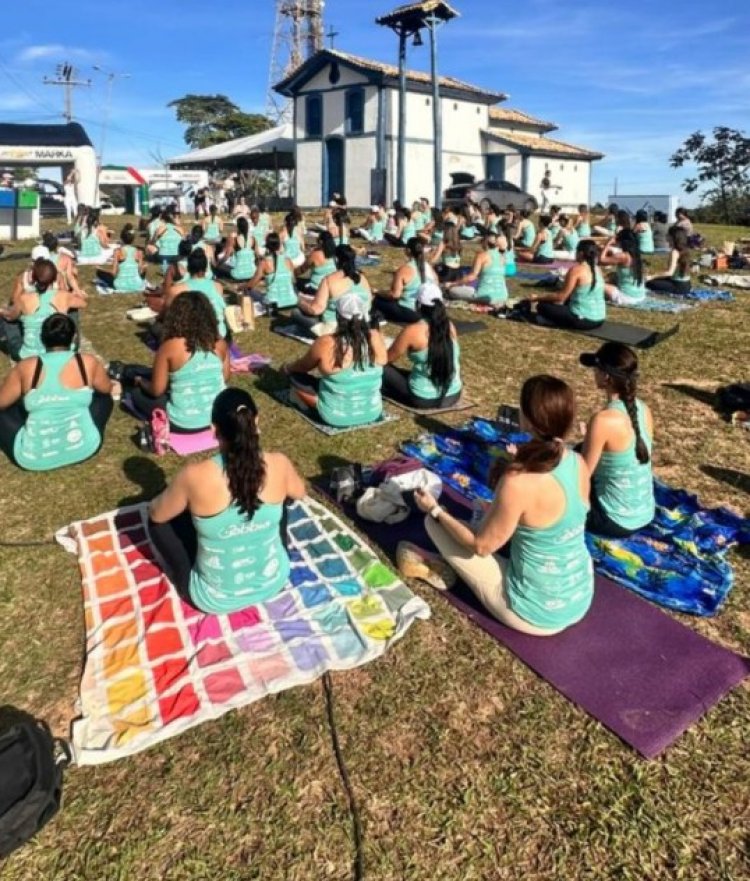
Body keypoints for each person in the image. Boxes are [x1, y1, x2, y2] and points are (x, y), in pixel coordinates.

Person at [410, 374, 593, 635]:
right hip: (580, 595)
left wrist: (435, 509)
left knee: (436, 524)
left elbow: (481, 547)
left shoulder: (517, 482)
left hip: (534, 613)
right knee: (493, 517)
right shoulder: (578, 462)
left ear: (527, 419)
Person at [148, 387, 306, 613]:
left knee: (158, 522)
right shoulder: (279, 464)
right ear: (256, 421)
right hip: (274, 580)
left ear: (214, 429)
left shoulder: (194, 476)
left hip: (213, 598)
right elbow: (299, 492)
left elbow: (156, 513)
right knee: (284, 499)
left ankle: (190, 569)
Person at [0, 313, 112, 470]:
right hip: (83, 447)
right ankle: (83, 427)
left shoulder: (26, 367)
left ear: (42, 338)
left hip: (33, 456)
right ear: (73, 338)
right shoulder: (86, 362)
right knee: (104, 398)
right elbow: (106, 389)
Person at [579, 343, 654, 537]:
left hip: (613, 520)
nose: (593, 373)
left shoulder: (603, 420)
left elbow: (580, 476)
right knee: (580, 448)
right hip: (644, 513)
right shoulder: (644, 409)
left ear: (606, 377)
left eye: (596, 369)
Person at [283, 294, 387, 428]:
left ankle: (310, 401)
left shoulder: (327, 342)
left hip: (334, 416)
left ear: (338, 315)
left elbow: (302, 367)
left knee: (294, 377)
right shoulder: (376, 337)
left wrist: (286, 368)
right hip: (372, 411)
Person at [131, 291, 229, 431]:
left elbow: (156, 390)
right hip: (218, 416)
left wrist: (141, 382)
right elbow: (224, 378)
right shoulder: (220, 343)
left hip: (182, 422)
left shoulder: (169, 347)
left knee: (136, 393)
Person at [383, 282, 462, 410]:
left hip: (423, 398)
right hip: (453, 394)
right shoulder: (450, 326)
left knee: (382, 369)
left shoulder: (413, 331)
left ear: (418, 305)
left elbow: (386, 359)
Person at [1, 259, 86, 360]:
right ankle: (71, 341)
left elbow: (11, 316)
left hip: (29, 356)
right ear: (55, 278)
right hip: (62, 350)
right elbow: (83, 303)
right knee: (73, 309)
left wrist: (2, 311)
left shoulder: (24, 298)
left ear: (33, 278)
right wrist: (75, 293)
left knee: (9, 318)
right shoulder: (64, 296)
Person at [525, 240, 605, 329]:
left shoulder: (576, 270)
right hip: (600, 319)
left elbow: (561, 296)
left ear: (581, 253)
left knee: (541, 306)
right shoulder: (598, 269)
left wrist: (537, 298)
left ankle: (550, 321)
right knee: (559, 303)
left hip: (584, 320)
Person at [296, 244, 372, 332]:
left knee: (295, 313)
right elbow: (368, 305)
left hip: (334, 328)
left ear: (336, 260)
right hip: (361, 325)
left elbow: (316, 309)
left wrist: (300, 302)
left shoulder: (329, 280)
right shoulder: (362, 278)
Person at [374, 237, 438, 324]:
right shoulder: (428, 267)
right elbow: (436, 283)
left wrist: (378, 292)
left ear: (408, 250)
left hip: (410, 311)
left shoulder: (405, 269)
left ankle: (379, 317)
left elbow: (395, 295)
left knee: (376, 300)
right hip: (427, 310)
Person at [165, 249, 228, 339]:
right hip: (219, 332)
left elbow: (168, 314)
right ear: (206, 268)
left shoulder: (177, 289)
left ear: (188, 268)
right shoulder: (218, 286)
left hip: (193, 336)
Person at [447, 232, 508, 304]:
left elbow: (472, 276)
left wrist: (452, 284)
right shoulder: (503, 257)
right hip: (503, 295)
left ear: (485, 242)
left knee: (452, 290)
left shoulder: (482, 256)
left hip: (483, 295)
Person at [247, 232, 297, 309]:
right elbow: (292, 280)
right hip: (292, 301)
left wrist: (243, 286)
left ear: (267, 246)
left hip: (274, 303)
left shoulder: (264, 262)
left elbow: (252, 284)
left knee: (249, 291)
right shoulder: (288, 260)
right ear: (279, 245)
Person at [600, 229, 646, 304]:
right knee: (612, 275)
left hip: (628, 297)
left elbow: (601, 260)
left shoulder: (623, 256)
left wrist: (608, 243)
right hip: (640, 295)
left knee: (597, 285)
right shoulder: (636, 255)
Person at [645, 226, 692, 296]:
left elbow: (669, 273)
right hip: (687, 284)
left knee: (648, 283)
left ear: (673, 237)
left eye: (668, 234)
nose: (666, 236)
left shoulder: (675, 252)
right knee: (656, 280)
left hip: (678, 286)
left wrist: (652, 276)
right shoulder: (685, 250)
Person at [100, 226, 146, 292]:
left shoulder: (117, 251)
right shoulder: (139, 252)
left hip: (120, 284)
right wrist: (144, 267)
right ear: (133, 239)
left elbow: (113, 272)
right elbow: (140, 271)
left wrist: (102, 269)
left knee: (99, 273)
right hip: (137, 284)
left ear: (121, 239)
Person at [219, 216, 257, 282]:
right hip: (252, 274)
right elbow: (258, 256)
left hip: (237, 275)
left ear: (238, 228)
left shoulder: (234, 240)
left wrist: (218, 263)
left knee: (221, 266)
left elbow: (226, 256)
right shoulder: (253, 239)